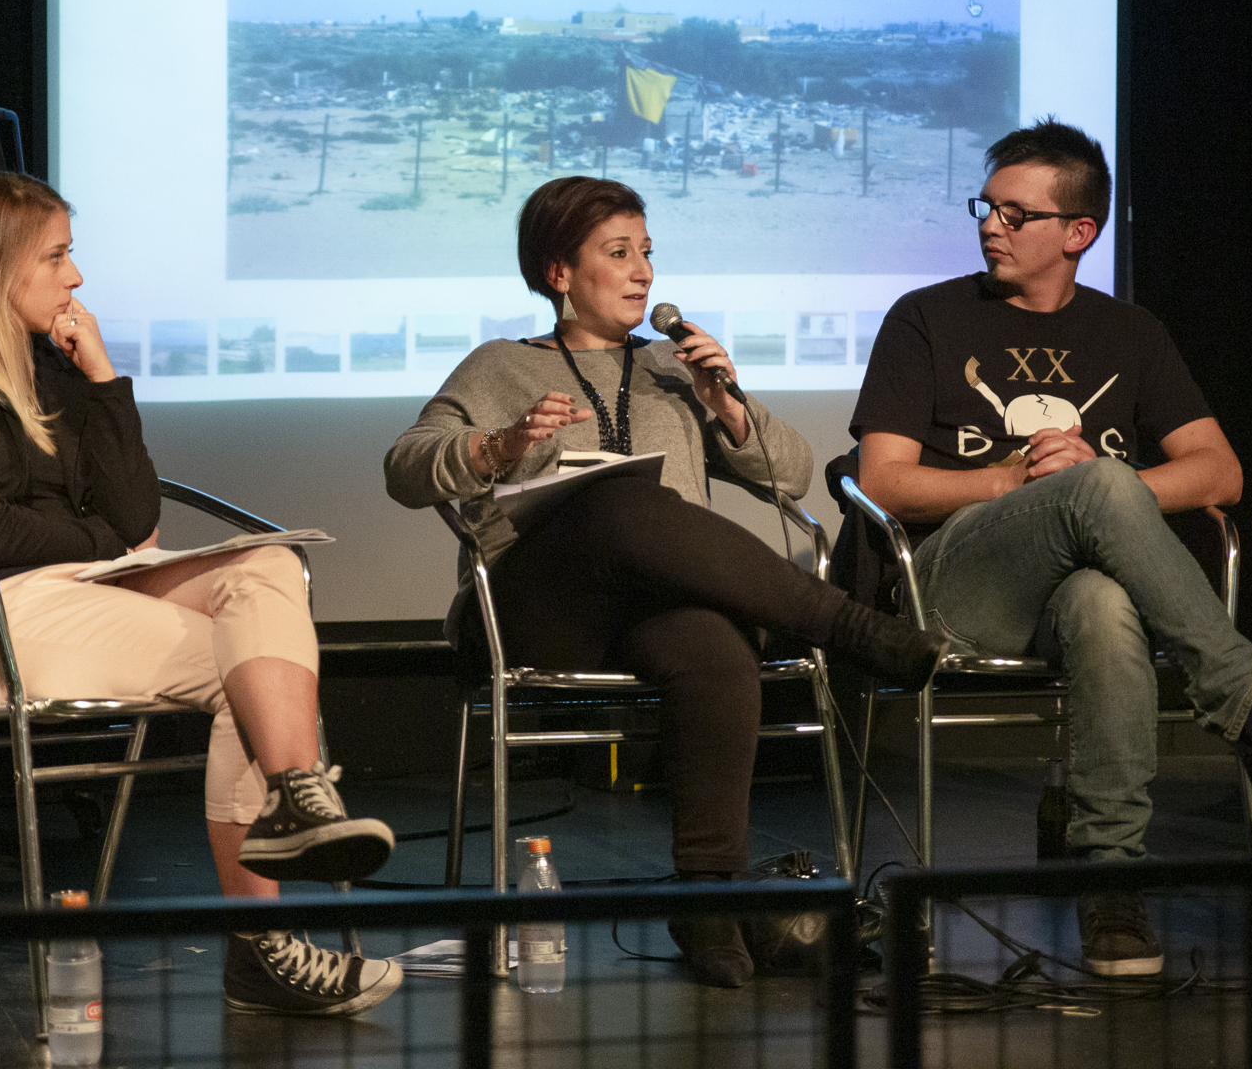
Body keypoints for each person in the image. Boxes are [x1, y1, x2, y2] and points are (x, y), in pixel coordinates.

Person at [848, 118, 1252, 977]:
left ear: (1078, 232)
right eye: (986, 208)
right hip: (953, 584)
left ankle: (1110, 878)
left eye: (1015, 214)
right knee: (1103, 486)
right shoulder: (927, 317)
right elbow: (884, 481)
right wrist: (1014, 481)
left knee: (1104, 599)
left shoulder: (1130, 333)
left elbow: (1221, 472)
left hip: (1068, 596)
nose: (991, 226)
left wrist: (1100, 487)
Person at [0, 168, 400, 1018]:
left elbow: (134, 513)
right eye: (56, 256)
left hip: (87, 586)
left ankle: (297, 794)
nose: (75, 277)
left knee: (266, 566)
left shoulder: (50, 366)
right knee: (249, 677)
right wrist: (103, 543)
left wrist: (103, 376)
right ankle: (261, 947)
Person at [384, 175, 944, 988]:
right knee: (619, 498)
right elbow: (404, 467)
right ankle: (848, 625)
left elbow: (791, 474)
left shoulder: (674, 370)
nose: (643, 271)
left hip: (651, 615)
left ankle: (706, 898)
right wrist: (500, 446)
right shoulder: (499, 364)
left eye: (647, 252)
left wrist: (728, 406)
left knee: (714, 647)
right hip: (537, 609)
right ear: (558, 272)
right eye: (618, 253)